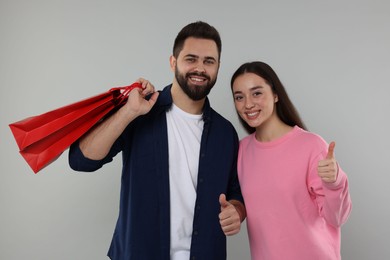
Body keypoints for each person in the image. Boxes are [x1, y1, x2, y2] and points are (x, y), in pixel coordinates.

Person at [68, 21, 246, 260]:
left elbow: (236, 192)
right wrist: (128, 113)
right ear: (173, 62)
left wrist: (236, 211)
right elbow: (81, 160)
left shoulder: (225, 133)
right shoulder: (140, 112)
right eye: (191, 59)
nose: (200, 68)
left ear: (218, 67)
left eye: (208, 61)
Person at [230, 61, 352, 260]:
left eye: (257, 93)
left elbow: (336, 218)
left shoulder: (311, 146)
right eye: (239, 97)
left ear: (276, 94)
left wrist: (335, 182)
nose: (248, 104)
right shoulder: (241, 151)